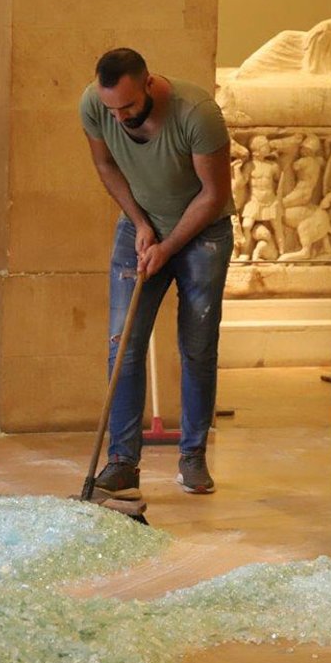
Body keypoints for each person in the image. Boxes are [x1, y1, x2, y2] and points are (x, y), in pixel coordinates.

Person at [80, 48, 233, 499]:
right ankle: (122, 462)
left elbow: (214, 193)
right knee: (123, 345)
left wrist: (168, 246)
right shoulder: (94, 104)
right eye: (112, 108)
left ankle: (192, 457)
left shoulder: (197, 114)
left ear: (149, 84)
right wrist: (142, 225)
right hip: (141, 227)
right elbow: (105, 165)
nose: (120, 116)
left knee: (198, 346)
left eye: (128, 106)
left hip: (203, 233)